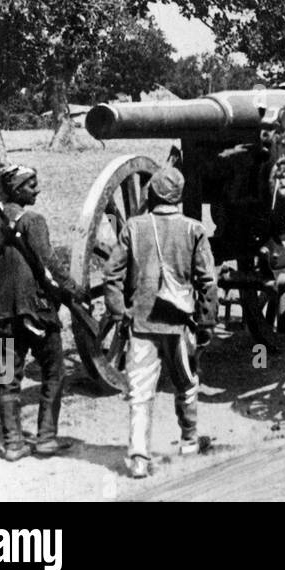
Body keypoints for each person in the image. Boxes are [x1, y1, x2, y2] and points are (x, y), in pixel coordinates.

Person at [103, 167, 219, 479]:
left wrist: (118, 311)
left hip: (141, 323)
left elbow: (112, 274)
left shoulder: (134, 227)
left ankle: (139, 457)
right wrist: (207, 322)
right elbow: (207, 280)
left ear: (151, 194)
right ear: (179, 196)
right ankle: (189, 441)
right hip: (180, 323)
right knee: (187, 382)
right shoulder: (194, 229)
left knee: (140, 392)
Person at [0, 165, 82, 461]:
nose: (37, 189)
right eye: (31, 185)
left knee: (6, 379)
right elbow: (51, 264)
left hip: (0, 319)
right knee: (54, 371)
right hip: (38, 313)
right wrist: (74, 289)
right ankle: (45, 439)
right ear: (18, 190)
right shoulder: (34, 221)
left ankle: (12, 444)